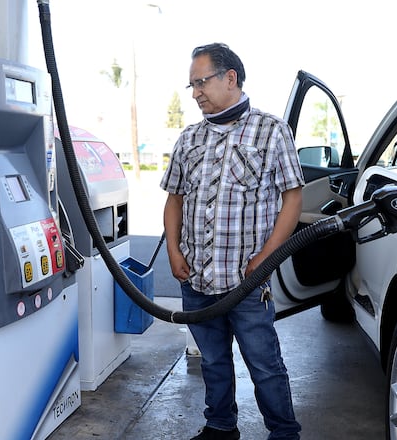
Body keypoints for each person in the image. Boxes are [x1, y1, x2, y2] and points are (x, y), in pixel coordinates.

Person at [160, 43, 304, 440]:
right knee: (213, 361)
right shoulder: (189, 139)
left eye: (201, 82)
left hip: (247, 281)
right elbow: (174, 199)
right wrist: (174, 251)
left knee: (264, 364)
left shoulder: (271, 130)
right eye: (191, 85)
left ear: (230, 78)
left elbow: (293, 197)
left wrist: (268, 256)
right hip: (197, 280)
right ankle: (221, 426)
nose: (195, 93)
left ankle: (284, 432)